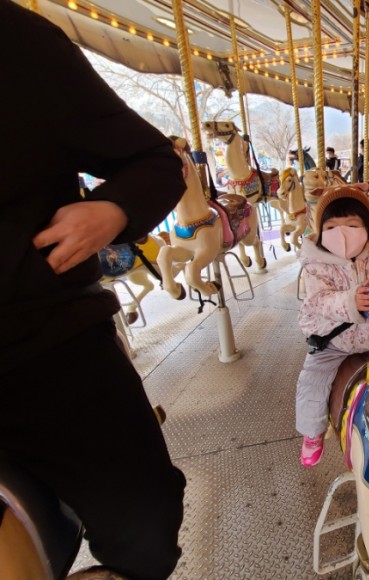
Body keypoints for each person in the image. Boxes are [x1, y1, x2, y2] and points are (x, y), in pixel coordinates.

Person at [0, 2, 187, 579]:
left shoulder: (19, 43)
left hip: (40, 340)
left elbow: (156, 161)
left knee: (145, 521)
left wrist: (111, 209)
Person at [295, 185, 369, 467]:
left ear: (368, 228)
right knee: (313, 377)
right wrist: (350, 301)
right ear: (320, 230)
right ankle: (312, 431)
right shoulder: (315, 265)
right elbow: (319, 301)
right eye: (331, 226)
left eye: (351, 224)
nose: (341, 233)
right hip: (334, 341)